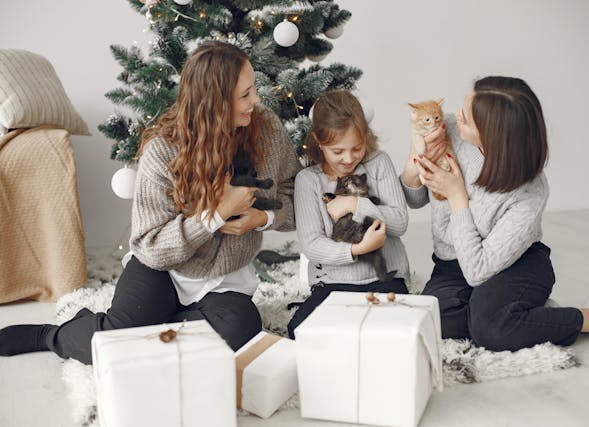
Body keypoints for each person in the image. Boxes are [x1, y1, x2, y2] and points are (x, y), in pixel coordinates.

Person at [0, 41, 301, 364]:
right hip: (164, 269)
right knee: (115, 341)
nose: (255, 101)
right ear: (213, 103)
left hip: (225, 280)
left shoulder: (266, 128)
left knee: (242, 330)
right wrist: (214, 215)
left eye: (253, 89)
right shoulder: (164, 151)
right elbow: (149, 246)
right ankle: (51, 335)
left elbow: (295, 196)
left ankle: (145, 328)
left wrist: (262, 219)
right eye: (245, 95)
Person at [400, 76, 589, 351]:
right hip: (453, 264)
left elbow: (478, 270)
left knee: (489, 330)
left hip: (515, 263)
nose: (456, 116)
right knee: (432, 320)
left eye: (467, 117)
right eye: (463, 108)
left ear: (494, 134)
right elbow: (414, 199)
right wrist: (414, 164)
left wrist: (457, 195)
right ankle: (519, 315)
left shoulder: (530, 192)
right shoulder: (448, 129)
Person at [287, 90, 410, 339]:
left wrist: (356, 204)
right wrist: (356, 250)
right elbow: (312, 244)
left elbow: (399, 222)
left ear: (366, 137)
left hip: (384, 278)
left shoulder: (379, 163)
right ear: (318, 142)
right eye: (337, 151)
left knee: (393, 334)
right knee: (301, 333)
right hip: (334, 282)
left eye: (357, 148)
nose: (348, 158)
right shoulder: (308, 181)